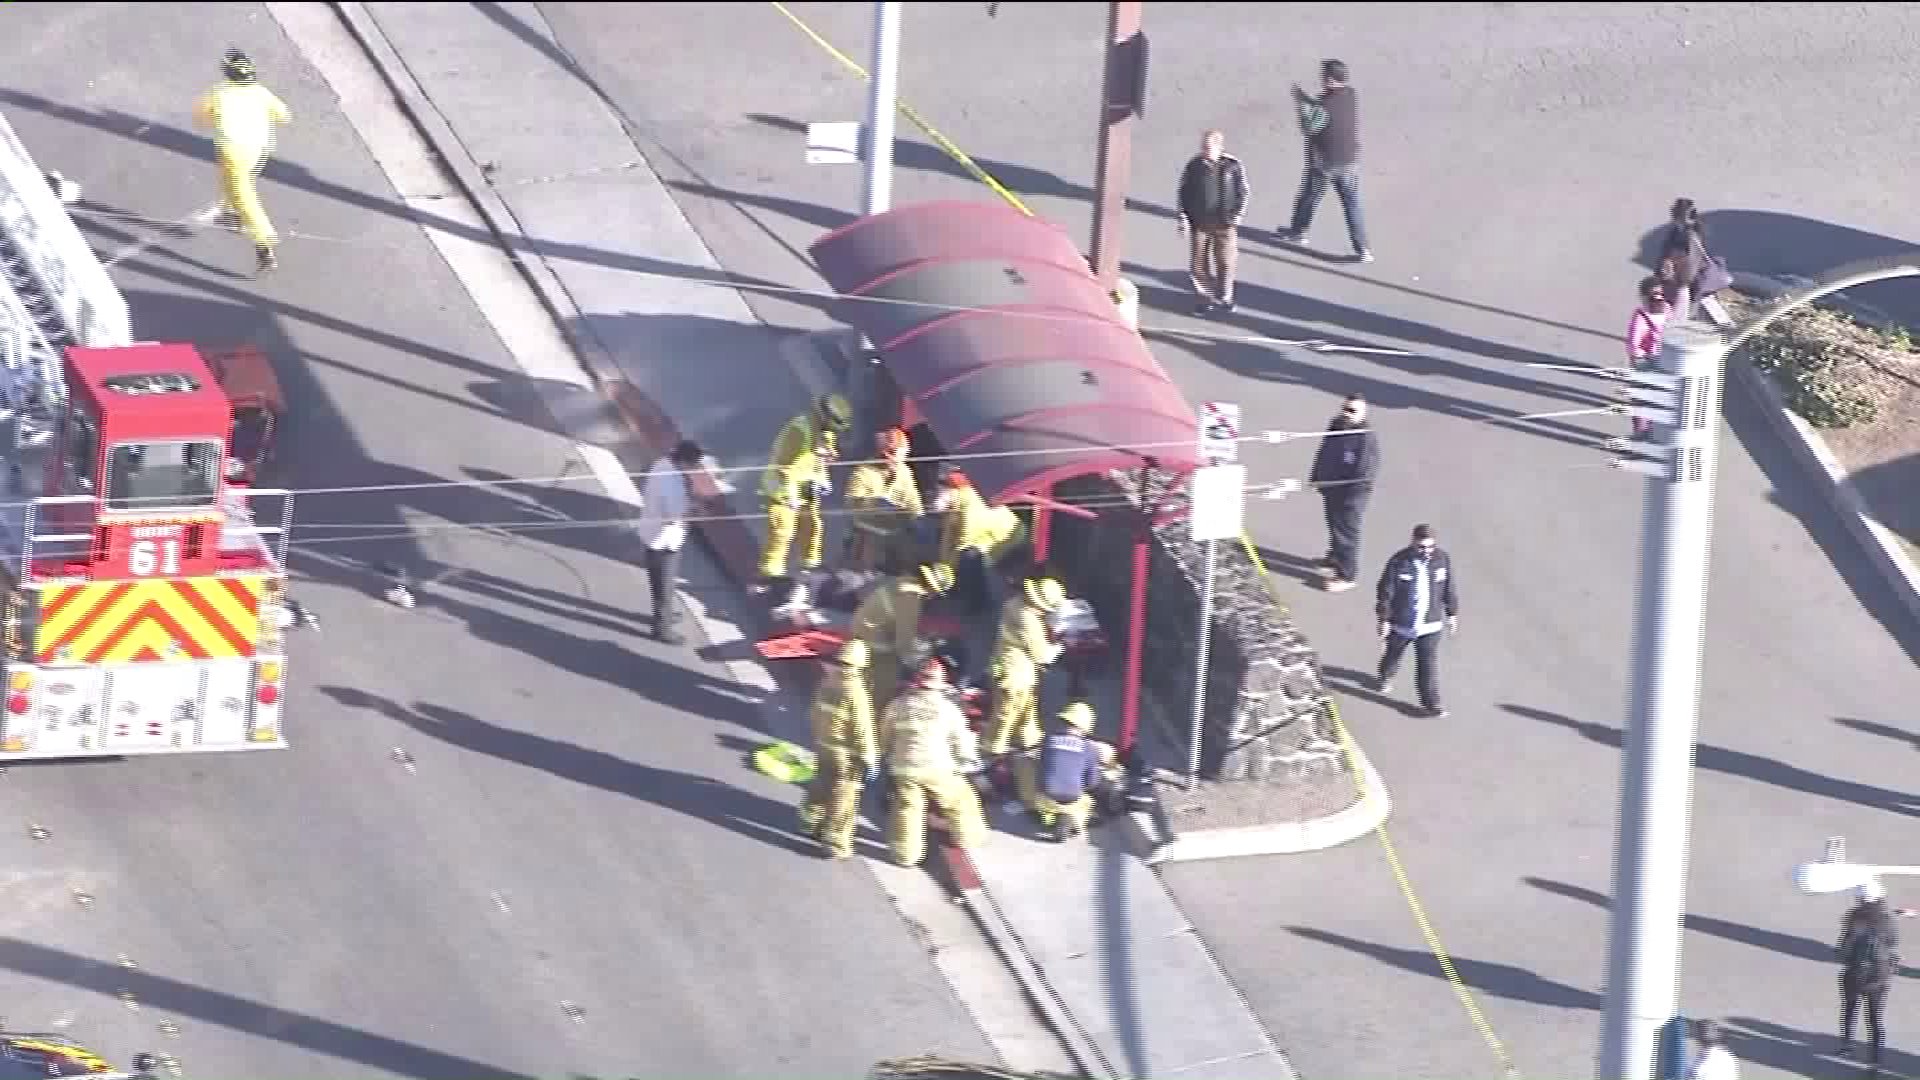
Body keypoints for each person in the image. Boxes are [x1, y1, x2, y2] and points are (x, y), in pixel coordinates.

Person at [194, 48, 292, 275]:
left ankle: (263, 239)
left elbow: (201, 119)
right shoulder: (261, 93)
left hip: (232, 149)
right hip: (257, 149)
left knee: (243, 193)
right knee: (233, 182)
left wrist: (215, 119)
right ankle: (231, 212)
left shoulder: (218, 93)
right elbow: (284, 116)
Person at [882, 656, 986, 868]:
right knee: (961, 801)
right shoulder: (948, 710)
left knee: (907, 810)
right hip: (938, 768)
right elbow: (962, 741)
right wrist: (968, 761)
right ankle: (969, 838)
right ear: (940, 686)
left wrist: (888, 756)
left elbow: (885, 735)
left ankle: (905, 856)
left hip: (904, 768)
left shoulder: (898, 705)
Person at [1278, 59, 1370, 262]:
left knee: (1310, 197)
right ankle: (1363, 249)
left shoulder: (1325, 105)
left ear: (1329, 79)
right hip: (1349, 161)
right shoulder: (1350, 95)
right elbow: (1322, 109)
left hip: (1325, 164)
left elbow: (1309, 127)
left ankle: (1298, 232)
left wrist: (1301, 104)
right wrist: (1307, 99)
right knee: (1351, 204)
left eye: (1323, 76)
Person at [758, 393, 851, 587]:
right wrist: (791, 495)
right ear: (824, 416)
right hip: (783, 490)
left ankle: (810, 566)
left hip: (806, 488)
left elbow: (822, 458)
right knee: (782, 532)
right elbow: (783, 465)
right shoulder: (799, 431)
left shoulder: (825, 432)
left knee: (812, 528)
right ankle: (770, 577)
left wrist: (823, 475)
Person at [798, 639, 879, 859]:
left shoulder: (827, 683)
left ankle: (809, 824)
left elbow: (814, 713)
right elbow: (863, 728)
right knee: (844, 796)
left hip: (823, 745)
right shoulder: (856, 691)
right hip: (845, 754)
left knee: (821, 785)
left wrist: (819, 737)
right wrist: (869, 755)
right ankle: (835, 842)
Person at [1374, 524, 1458, 718]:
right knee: (1393, 655)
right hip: (1401, 623)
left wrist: (1452, 614)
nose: (1426, 551)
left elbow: (1449, 588)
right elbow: (1385, 591)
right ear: (1412, 542)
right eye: (1421, 547)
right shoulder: (1398, 561)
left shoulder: (1442, 559)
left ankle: (1431, 703)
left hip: (1431, 624)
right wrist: (1384, 619)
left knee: (1427, 664)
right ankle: (1386, 675)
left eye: (1430, 547)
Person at [850, 561, 954, 713]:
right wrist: (923, 661)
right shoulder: (910, 600)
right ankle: (873, 715)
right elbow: (904, 644)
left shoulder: (903, 581)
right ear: (933, 589)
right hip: (874, 643)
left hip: (861, 630)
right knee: (887, 680)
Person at [1017, 702, 1126, 842]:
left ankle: (1045, 817)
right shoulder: (1089, 748)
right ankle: (1075, 822)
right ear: (1085, 728)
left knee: (1043, 803)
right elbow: (1092, 781)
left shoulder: (1048, 740)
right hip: (1073, 796)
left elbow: (1042, 766)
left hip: (1046, 793)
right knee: (1088, 803)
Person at [985, 574, 1067, 761]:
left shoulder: (1013, 604)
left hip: (1004, 664)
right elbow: (1043, 655)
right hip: (1016, 674)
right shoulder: (1028, 620)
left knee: (1027, 709)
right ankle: (993, 749)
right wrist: (1060, 646)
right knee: (1008, 712)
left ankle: (1027, 740)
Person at [1307, 394, 1380, 592]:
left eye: (1352, 411)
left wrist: (1351, 500)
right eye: (1345, 408)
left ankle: (1347, 575)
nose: (1346, 413)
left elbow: (1364, 474)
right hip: (1331, 488)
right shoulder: (1337, 425)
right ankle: (1334, 558)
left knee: (1347, 534)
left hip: (1350, 495)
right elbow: (1324, 451)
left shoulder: (1365, 438)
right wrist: (1316, 477)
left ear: (1363, 414)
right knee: (1332, 525)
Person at [635, 440, 703, 645]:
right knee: (664, 584)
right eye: (693, 465)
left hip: (653, 533)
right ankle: (662, 627)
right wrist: (697, 510)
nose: (694, 469)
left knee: (663, 582)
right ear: (683, 461)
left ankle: (664, 613)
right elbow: (675, 515)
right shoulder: (671, 485)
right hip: (663, 540)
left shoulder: (662, 464)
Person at [1175, 129, 1250, 315]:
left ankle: (1224, 296)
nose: (1204, 151)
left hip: (1225, 224)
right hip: (1199, 224)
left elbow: (1243, 191)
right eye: (1203, 147)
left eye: (1208, 147)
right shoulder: (1194, 166)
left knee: (1226, 261)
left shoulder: (1233, 166)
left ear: (1219, 147)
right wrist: (1183, 218)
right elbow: (1183, 192)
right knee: (1198, 265)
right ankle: (1204, 298)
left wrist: (1238, 215)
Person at [933, 468, 1026, 617]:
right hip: (982, 537)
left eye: (944, 488)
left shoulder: (971, 509)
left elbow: (963, 543)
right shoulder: (956, 502)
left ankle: (975, 604)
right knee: (963, 558)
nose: (940, 491)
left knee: (971, 560)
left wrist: (946, 572)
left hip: (1008, 538)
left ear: (954, 490)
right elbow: (948, 534)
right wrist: (943, 563)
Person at [1839, 879, 1901, 1070]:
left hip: (1855, 972)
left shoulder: (1853, 916)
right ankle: (1875, 1056)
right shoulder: (1888, 919)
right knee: (1875, 1018)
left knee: (1850, 1009)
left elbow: (1844, 944)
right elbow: (1893, 941)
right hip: (1879, 974)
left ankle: (1847, 1045)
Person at [843, 427, 924, 574]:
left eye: (903, 456)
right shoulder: (863, 472)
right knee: (864, 574)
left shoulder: (904, 472)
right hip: (868, 533)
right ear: (885, 453)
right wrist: (877, 504)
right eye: (897, 456)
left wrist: (918, 517)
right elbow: (851, 505)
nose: (900, 461)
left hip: (896, 533)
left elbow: (912, 499)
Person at [1658, 198, 1733, 327]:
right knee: (1690, 300)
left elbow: (1692, 258)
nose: (1673, 216)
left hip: (1685, 276)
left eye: (1675, 213)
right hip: (1683, 274)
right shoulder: (1683, 229)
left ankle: (1678, 325)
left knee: (1685, 300)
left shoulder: (1689, 233)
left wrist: (1680, 275)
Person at [1625, 277, 1673, 440]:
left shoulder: (1640, 316)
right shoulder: (1667, 310)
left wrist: (1635, 360)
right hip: (1663, 359)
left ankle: (1640, 436)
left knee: (1640, 401)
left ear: (1643, 296)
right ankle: (1655, 432)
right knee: (1657, 398)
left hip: (1644, 362)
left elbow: (1633, 345)